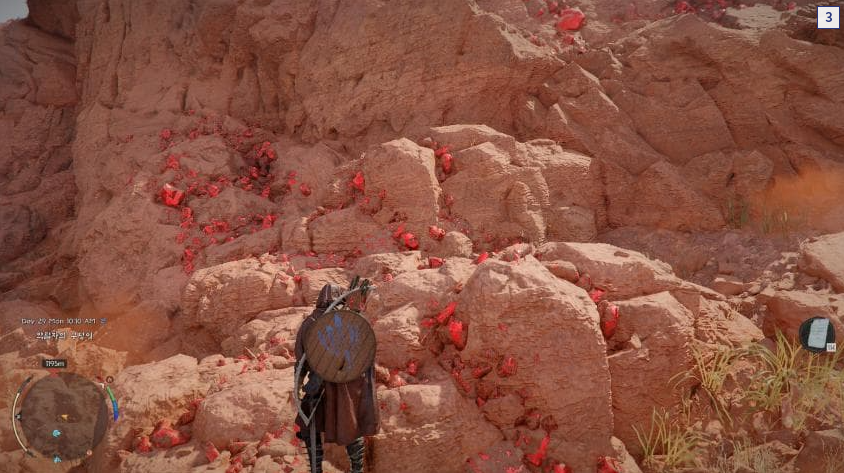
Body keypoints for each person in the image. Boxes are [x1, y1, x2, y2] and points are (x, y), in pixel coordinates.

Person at [294, 284, 379, 473]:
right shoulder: (345, 321)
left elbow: (300, 360)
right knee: (348, 426)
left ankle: (337, 469)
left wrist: (299, 387)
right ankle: (352, 469)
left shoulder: (311, 321)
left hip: (328, 387)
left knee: (314, 425)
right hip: (337, 388)